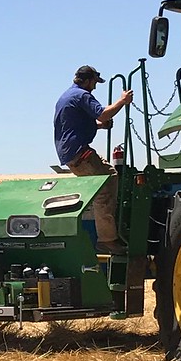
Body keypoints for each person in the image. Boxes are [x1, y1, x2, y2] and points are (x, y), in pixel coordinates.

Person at [53, 65, 133, 251]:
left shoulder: (67, 96)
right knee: (105, 188)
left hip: (70, 152)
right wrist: (122, 101)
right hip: (79, 152)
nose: (95, 87)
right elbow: (104, 113)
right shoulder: (82, 95)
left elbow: (72, 125)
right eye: (94, 83)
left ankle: (108, 233)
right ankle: (107, 240)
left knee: (109, 174)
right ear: (88, 81)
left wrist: (98, 126)